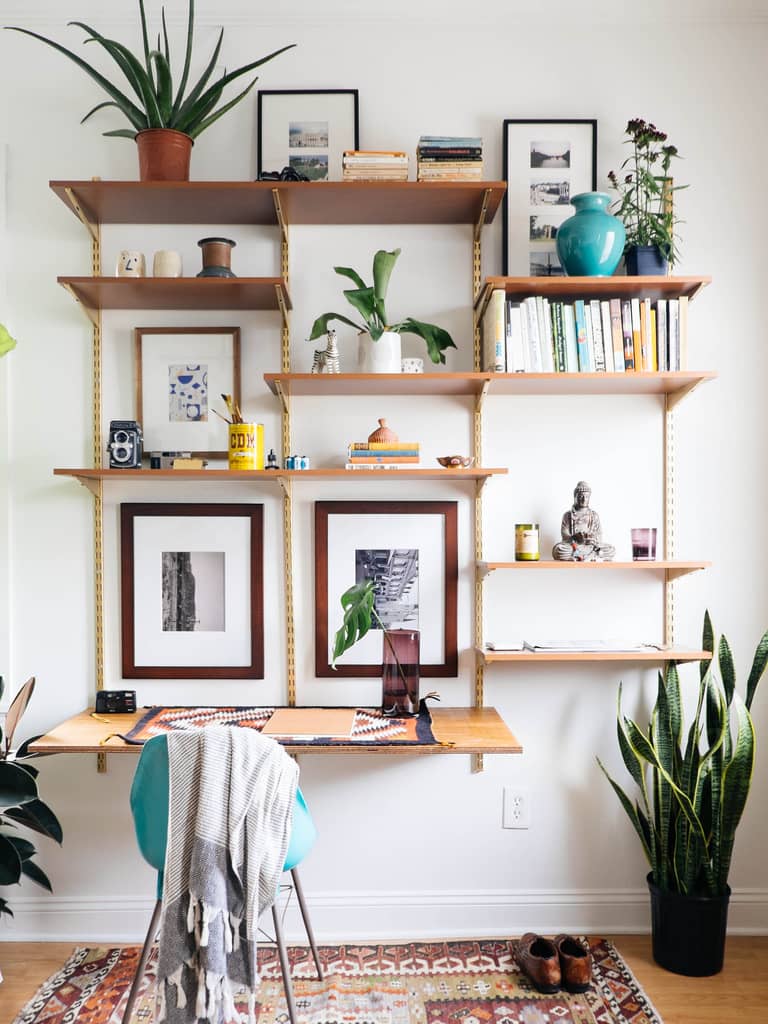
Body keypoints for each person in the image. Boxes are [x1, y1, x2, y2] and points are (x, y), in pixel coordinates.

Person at [552, 481, 615, 561]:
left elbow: (599, 536)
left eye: (587, 497)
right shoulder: (567, 515)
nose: (584, 499)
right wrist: (574, 537)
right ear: (575, 497)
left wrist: (592, 539)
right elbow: (565, 536)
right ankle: (590, 556)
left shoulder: (594, 515)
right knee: (559, 550)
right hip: (574, 546)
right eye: (581, 496)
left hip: (590, 546)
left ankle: (581, 556)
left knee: (611, 550)